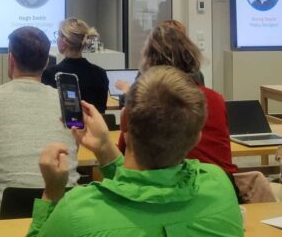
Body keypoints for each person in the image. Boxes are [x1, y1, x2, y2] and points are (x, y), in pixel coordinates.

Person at [26, 66, 243, 237]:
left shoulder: (77, 213)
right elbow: (148, 186)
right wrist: (104, 150)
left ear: (124, 122)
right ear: (196, 138)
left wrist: (52, 192)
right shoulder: (219, 186)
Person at [0, 26, 79, 220]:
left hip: (1, 220)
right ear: (46, 62)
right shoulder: (66, 101)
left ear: (11, 59)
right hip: (62, 217)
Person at [117, 24, 238, 177]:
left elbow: (125, 156)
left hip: (169, 186)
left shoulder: (146, 101)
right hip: (223, 183)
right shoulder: (215, 99)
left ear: (149, 61)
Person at [42, 18, 109, 113]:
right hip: (93, 127)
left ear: (64, 41)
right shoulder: (100, 73)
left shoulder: (50, 74)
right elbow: (101, 111)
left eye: (58, 35)